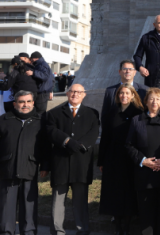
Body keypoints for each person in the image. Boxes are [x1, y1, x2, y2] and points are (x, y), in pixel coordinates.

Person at [45, 84, 100, 235]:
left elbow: (93, 133)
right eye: (72, 91)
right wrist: (68, 141)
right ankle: (57, 230)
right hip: (60, 162)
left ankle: (82, 230)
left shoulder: (92, 114)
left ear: (84, 95)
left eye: (79, 92)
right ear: (67, 93)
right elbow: (51, 131)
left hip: (81, 162)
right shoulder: (53, 113)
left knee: (80, 200)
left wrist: (80, 145)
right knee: (58, 199)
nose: (75, 94)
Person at [125, 88, 160, 235]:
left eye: (158, 99)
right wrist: (142, 160)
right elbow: (129, 145)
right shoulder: (137, 120)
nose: (154, 102)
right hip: (144, 175)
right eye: (151, 99)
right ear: (146, 102)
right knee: (146, 215)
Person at [0, 90, 49, 235]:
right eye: (21, 102)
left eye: (28, 101)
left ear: (33, 103)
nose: (25, 105)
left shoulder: (41, 122)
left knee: (29, 205)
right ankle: (6, 232)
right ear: (15, 104)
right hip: (7, 169)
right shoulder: (3, 120)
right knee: (6, 207)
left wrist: (45, 166)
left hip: (30, 168)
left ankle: (28, 231)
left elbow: (45, 146)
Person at [98, 84, 144, 235]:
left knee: (129, 191)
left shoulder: (138, 113)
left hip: (130, 158)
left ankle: (127, 226)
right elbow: (105, 137)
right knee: (114, 191)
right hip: (112, 157)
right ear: (117, 96)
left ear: (132, 95)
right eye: (121, 94)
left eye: (127, 93)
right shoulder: (111, 113)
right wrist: (101, 160)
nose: (124, 96)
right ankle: (117, 226)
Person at [133, 15, 160, 86]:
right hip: (151, 76)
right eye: (159, 23)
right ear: (154, 24)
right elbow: (137, 56)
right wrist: (140, 67)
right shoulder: (146, 38)